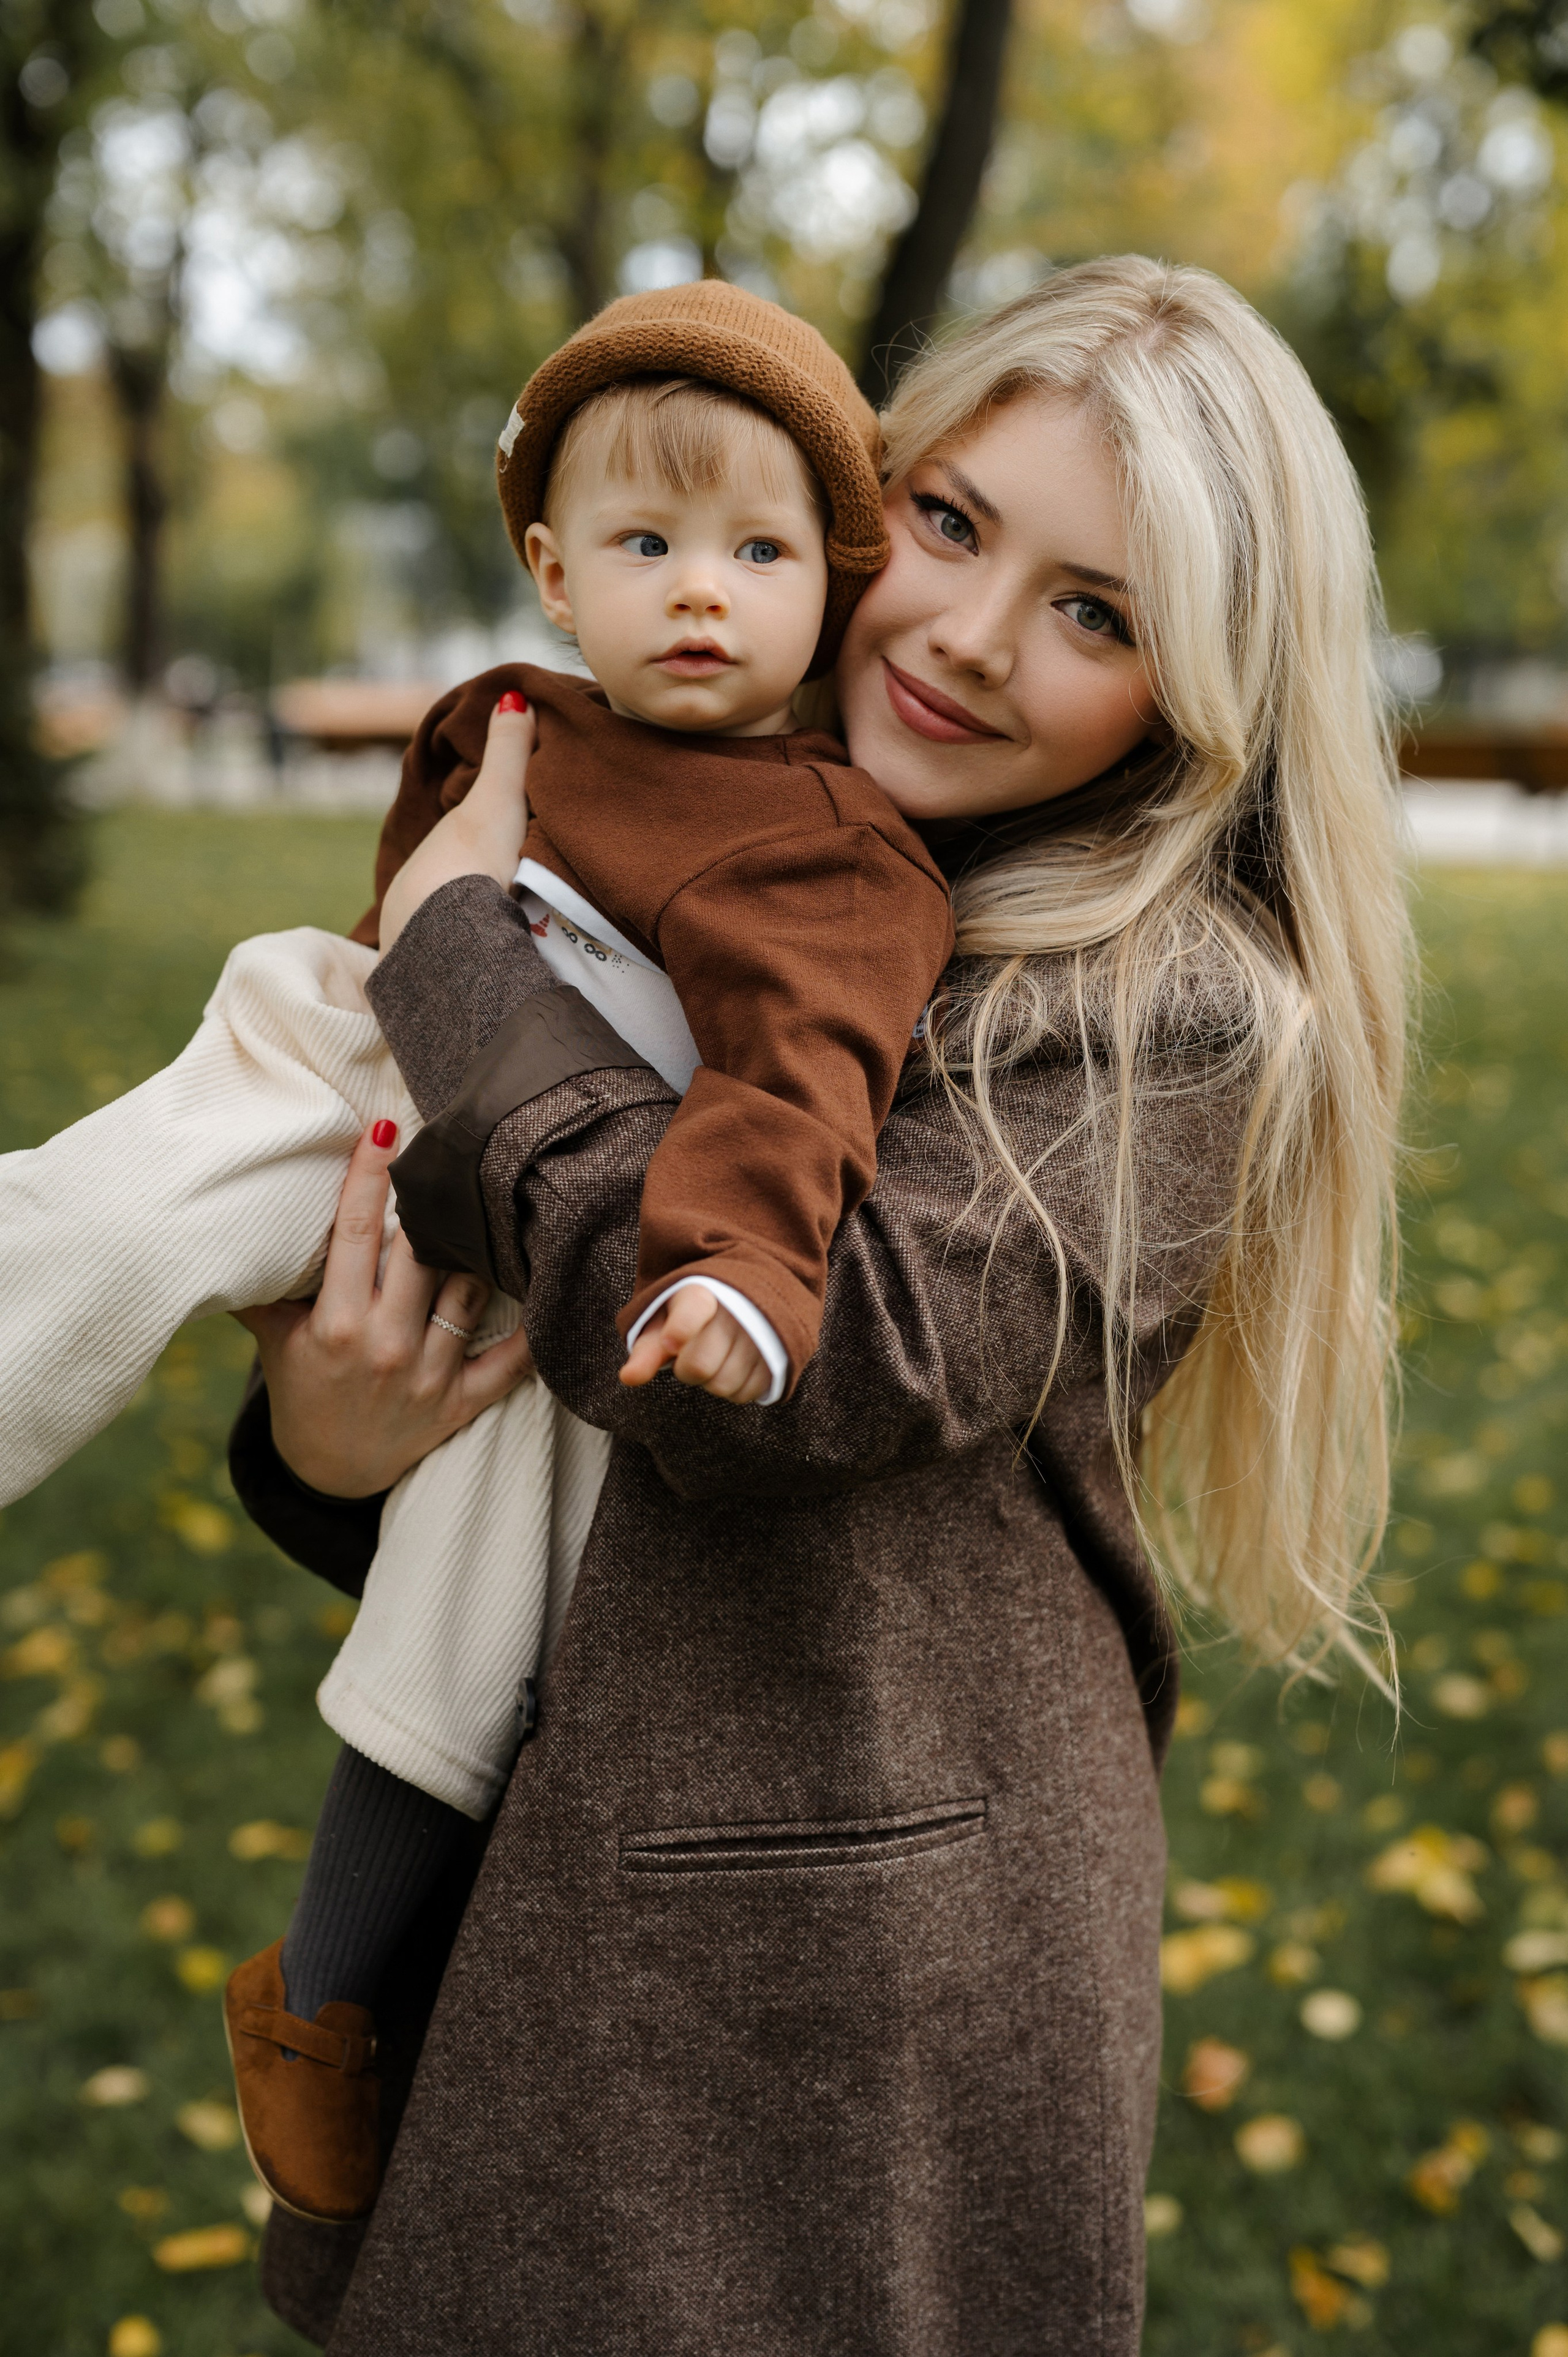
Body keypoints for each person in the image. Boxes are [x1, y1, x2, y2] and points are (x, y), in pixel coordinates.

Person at [233, 255, 1409, 2356]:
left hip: (866, 1965)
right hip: (568, 1852)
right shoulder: (719, 828)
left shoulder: (1173, 1016)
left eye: (1098, 612)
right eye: (951, 524)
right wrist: (333, 1441)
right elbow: (535, 1433)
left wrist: (462, 964)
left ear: (1201, 696)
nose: (967, 635)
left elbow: (784, 1374)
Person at [222, 284, 957, 2225]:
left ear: (825, 569)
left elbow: (787, 1103)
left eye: (759, 551)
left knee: (469, 1603)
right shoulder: (522, 733)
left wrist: (725, 1269)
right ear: (556, 574)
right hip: (409, 1141)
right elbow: (393, 939)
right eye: (646, 544)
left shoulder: (845, 857)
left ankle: (324, 1992)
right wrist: (315, 1407)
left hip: (595, 1310)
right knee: (158, 1175)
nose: (700, 588)